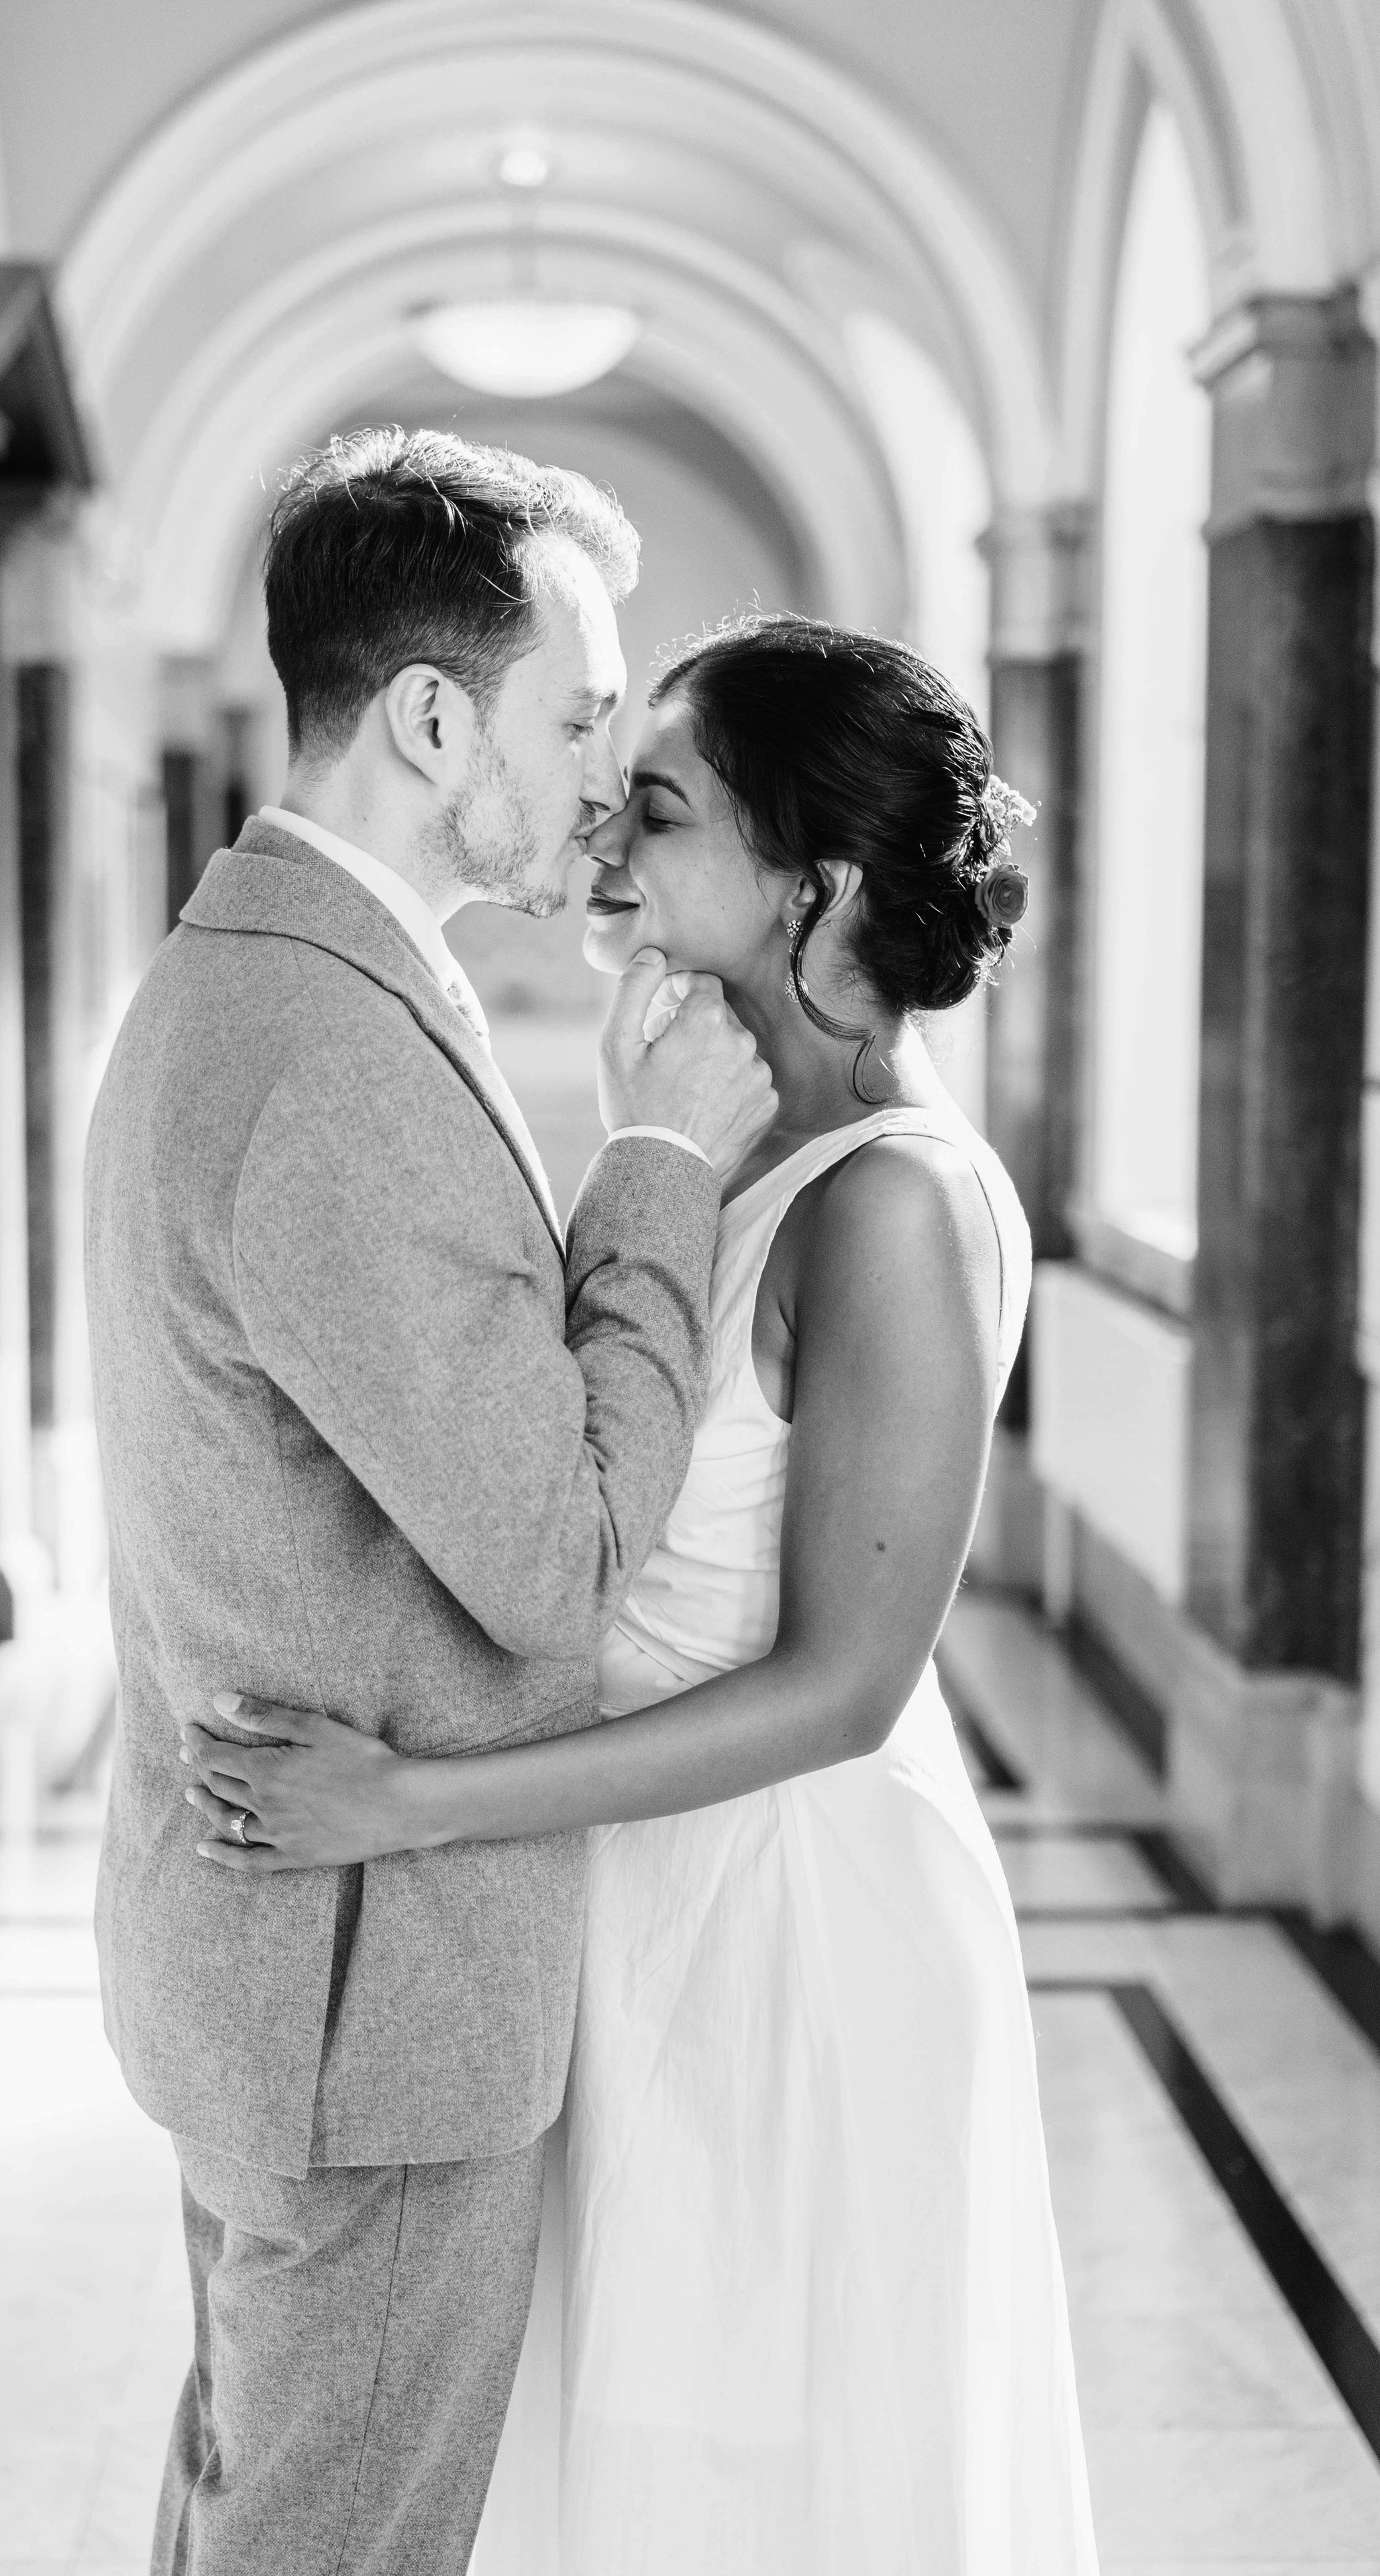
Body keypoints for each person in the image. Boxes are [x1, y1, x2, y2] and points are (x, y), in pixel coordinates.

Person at [182, 616, 1102, 2573]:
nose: (605, 859)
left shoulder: (893, 1207)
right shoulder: (725, 1141)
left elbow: (846, 1689)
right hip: (625, 1891)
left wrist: (413, 1803)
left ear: (815, 884)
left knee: (745, 2487)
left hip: (789, 1934)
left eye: (658, 813)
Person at [83, 429, 776, 2576]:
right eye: (580, 712)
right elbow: (558, 1551)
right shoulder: (320, 1047)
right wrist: (656, 1163)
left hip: (292, 1969)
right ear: (432, 715)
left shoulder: (293, 970)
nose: (602, 770)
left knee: (255, 2518)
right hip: (365, 2014)